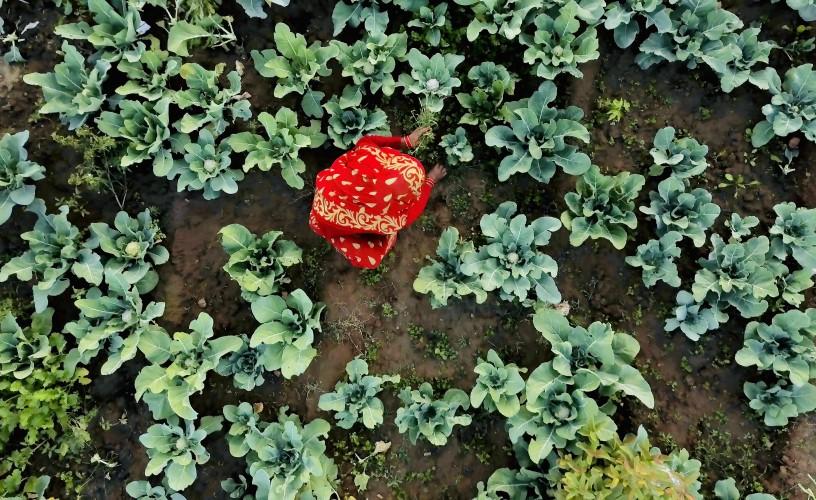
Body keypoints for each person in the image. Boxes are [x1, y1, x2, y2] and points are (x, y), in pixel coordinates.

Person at [309, 127, 447, 269]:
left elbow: (367, 140)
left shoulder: (367, 157)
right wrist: (431, 179)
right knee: (376, 247)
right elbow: (415, 209)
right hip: (329, 222)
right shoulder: (393, 219)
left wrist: (405, 141)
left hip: (327, 191)